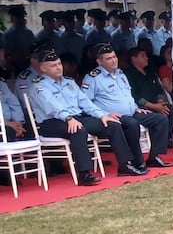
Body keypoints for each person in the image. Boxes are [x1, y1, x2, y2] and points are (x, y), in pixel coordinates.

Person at [29, 48, 139, 185]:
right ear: (43, 68)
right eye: (53, 65)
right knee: (78, 130)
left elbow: (86, 103)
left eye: (59, 64)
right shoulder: (39, 86)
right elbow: (52, 107)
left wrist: (102, 115)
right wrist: (68, 119)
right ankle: (84, 173)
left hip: (77, 117)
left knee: (112, 125)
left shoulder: (69, 82)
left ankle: (125, 165)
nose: (58, 68)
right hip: (52, 122)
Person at [81, 44, 173, 172]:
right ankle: (135, 161)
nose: (113, 60)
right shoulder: (93, 78)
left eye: (114, 57)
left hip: (131, 112)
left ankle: (154, 157)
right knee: (132, 124)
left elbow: (127, 95)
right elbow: (85, 102)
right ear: (99, 61)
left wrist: (135, 108)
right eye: (108, 58)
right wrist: (104, 114)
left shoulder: (120, 74)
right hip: (112, 115)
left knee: (160, 119)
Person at [4, 5, 36, 76]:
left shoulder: (28, 33)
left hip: (29, 62)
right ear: (12, 19)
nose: (21, 20)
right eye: (18, 17)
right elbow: (7, 53)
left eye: (22, 17)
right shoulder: (9, 34)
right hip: (15, 64)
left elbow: (34, 47)